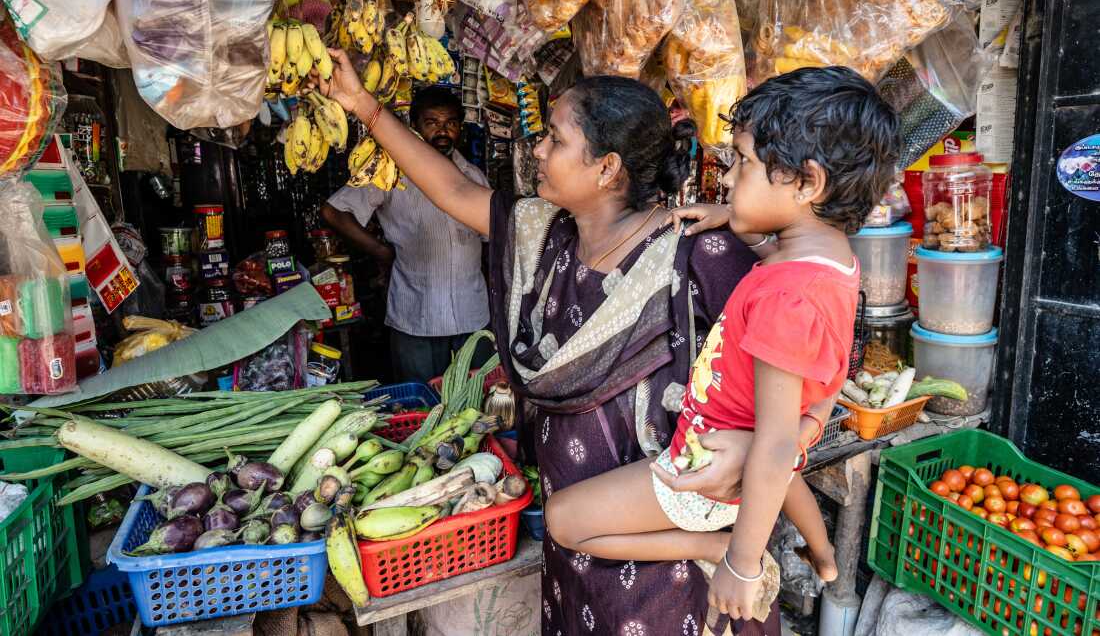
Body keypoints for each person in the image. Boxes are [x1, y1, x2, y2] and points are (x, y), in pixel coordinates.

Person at [314, 53, 832, 635]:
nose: (537, 150)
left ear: (607, 167)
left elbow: (816, 351)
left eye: (555, 140)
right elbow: (453, 188)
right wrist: (364, 107)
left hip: (676, 554)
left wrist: (777, 437)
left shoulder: (698, 251)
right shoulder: (544, 234)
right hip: (575, 540)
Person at [544, 66, 900, 624]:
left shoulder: (788, 299)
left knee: (565, 519)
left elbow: (775, 450)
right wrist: (737, 222)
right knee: (786, 468)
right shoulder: (828, 260)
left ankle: (707, 545)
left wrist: (741, 560)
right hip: (763, 445)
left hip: (706, 466)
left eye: (744, 162)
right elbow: (787, 445)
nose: (728, 180)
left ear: (807, 183)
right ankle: (826, 557)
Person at [320, 86, 493, 383]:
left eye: (450, 123)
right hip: (417, 317)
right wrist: (381, 252)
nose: (443, 131)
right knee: (423, 408)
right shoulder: (391, 172)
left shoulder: (474, 177)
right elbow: (334, 212)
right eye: (432, 122)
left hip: (472, 316)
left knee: (478, 404)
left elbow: (491, 243)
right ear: (414, 126)